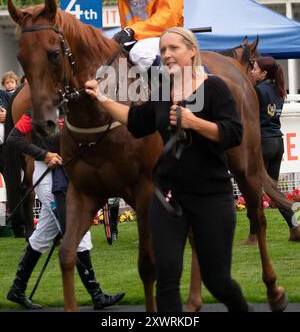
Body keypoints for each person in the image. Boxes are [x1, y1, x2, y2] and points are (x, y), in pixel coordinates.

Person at [85, 27, 251, 312]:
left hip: (211, 197)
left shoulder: (214, 87)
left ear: (192, 51)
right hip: (168, 198)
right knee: (167, 278)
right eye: (163, 50)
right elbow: (136, 120)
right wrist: (102, 99)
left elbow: (233, 133)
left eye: (174, 48)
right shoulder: (163, 91)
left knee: (217, 280)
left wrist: (194, 122)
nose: (167, 55)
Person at [5, 110, 125, 310]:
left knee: (42, 235)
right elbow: (13, 138)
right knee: (76, 231)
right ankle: (96, 294)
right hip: (47, 178)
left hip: (67, 177)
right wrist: (44, 154)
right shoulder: (36, 111)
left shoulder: (71, 108)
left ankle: (17, 289)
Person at [246, 56, 300, 244]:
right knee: (273, 191)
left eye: (254, 68)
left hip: (262, 143)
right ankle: (295, 227)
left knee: (254, 190)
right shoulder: (278, 90)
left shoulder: (257, 91)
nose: (252, 71)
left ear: (264, 73)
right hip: (277, 142)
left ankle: (254, 235)